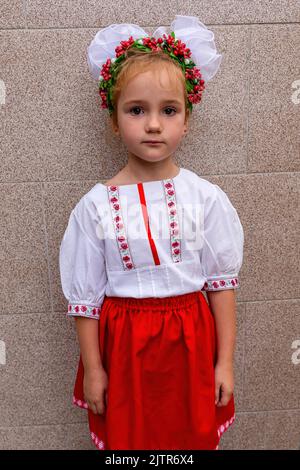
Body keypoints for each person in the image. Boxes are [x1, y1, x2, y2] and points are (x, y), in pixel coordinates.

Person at [59, 15, 244, 451]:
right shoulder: (95, 206)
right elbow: (85, 301)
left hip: (191, 346)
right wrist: (95, 369)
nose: (154, 124)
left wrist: (226, 363)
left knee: (187, 441)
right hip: (125, 351)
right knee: (133, 444)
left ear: (187, 119)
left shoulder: (205, 198)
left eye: (169, 110)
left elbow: (221, 286)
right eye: (137, 110)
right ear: (114, 119)